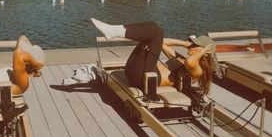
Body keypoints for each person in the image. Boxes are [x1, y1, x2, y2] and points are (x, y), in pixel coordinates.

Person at [91, 18, 220, 94]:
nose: (191, 46)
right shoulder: (180, 58)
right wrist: (184, 43)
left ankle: (113, 31)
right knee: (153, 26)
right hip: (135, 71)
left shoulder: (198, 70)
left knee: (158, 32)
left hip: (143, 80)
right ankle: (113, 30)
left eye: (194, 45)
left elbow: (190, 63)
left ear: (204, 52)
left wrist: (201, 52)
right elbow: (162, 42)